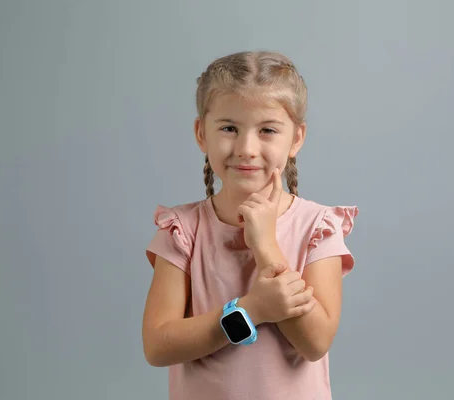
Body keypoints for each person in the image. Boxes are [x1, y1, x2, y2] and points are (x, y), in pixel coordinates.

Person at [142, 50, 359, 400]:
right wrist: (249, 311)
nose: (246, 148)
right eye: (229, 128)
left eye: (268, 130)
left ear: (296, 139)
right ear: (202, 134)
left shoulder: (317, 227)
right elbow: (157, 346)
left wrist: (265, 247)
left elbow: (315, 342)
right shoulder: (183, 230)